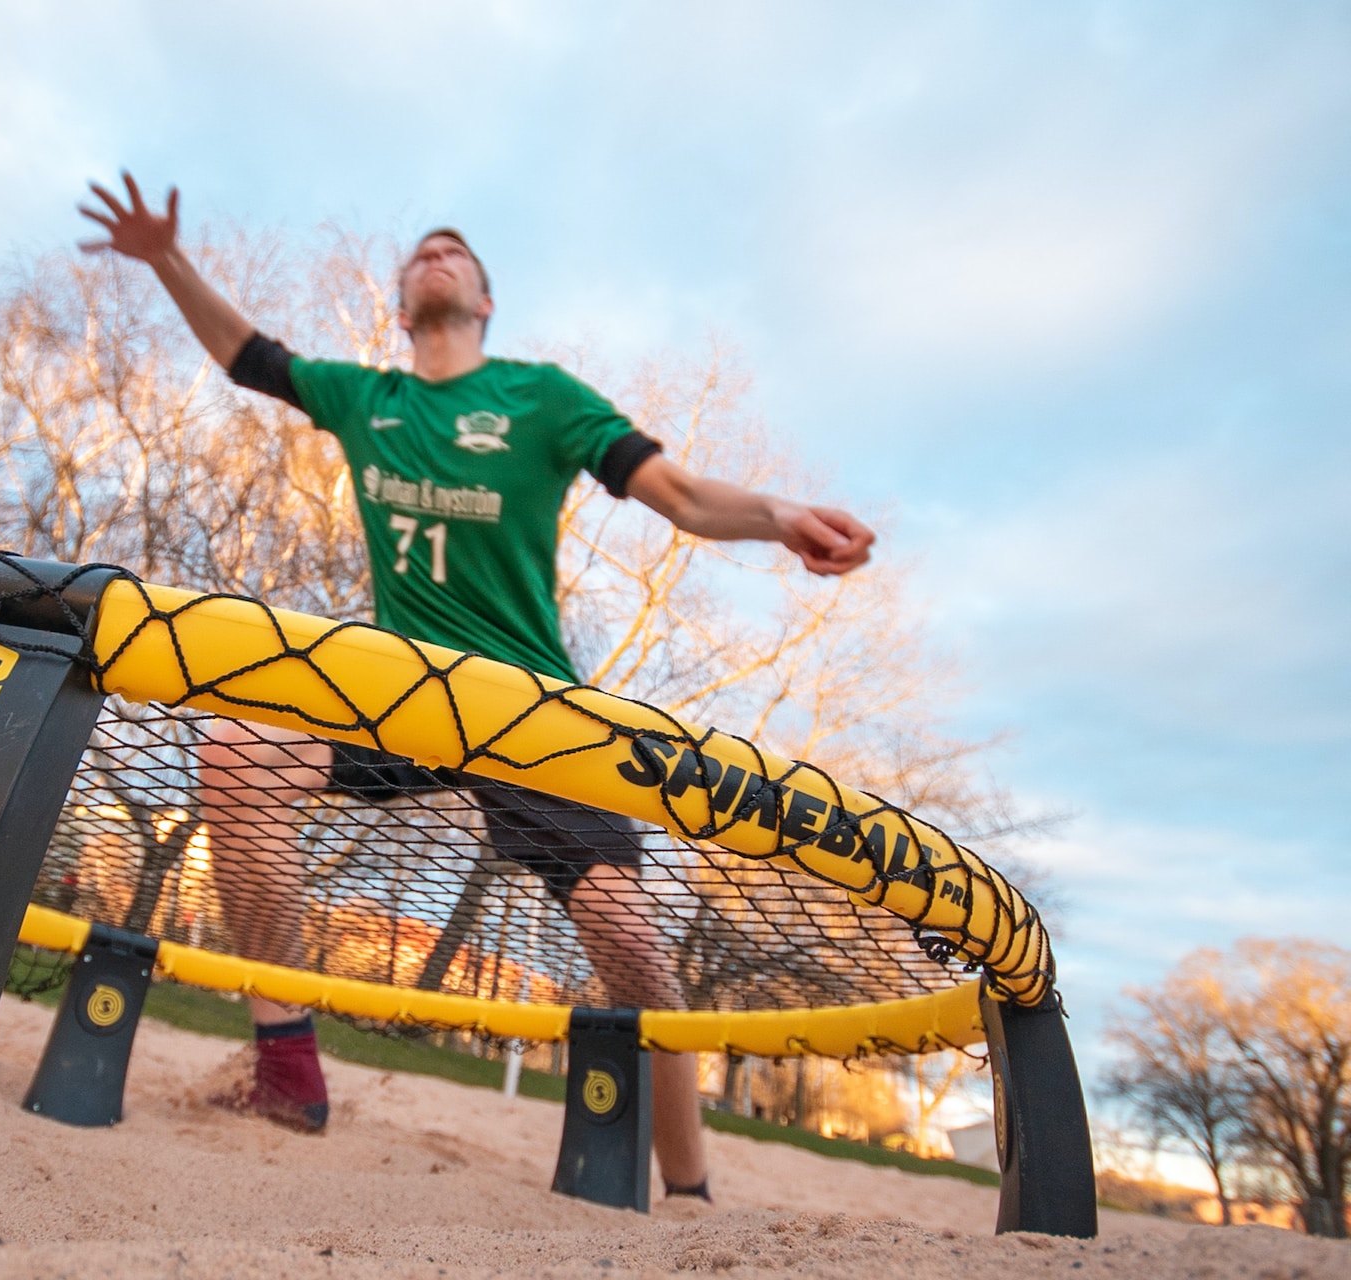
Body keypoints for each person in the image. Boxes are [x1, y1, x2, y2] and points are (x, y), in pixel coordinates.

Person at [80, 175, 874, 1201]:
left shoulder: (541, 397)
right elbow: (249, 358)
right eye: (423, 251)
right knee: (236, 751)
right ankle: (287, 1068)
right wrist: (166, 261)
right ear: (401, 306)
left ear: (487, 302)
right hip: (397, 690)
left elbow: (676, 493)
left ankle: (688, 1191)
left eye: (459, 251)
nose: (439, 254)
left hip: (532, 709)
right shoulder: (370, 398)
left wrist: (781, 514)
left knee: (631, 944)